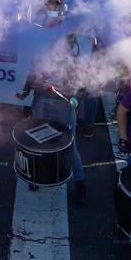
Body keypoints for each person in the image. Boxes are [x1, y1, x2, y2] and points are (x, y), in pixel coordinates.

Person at [15, 67, 86, 202]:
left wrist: (76, 98)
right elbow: (32, 74)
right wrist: (25, 91)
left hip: (63, 106)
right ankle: (35, 176)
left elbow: (80, 81)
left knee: (70, 145)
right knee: (38, 142)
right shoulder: (40, 50)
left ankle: (80, 181)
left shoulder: (71, 55)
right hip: (41, 102)